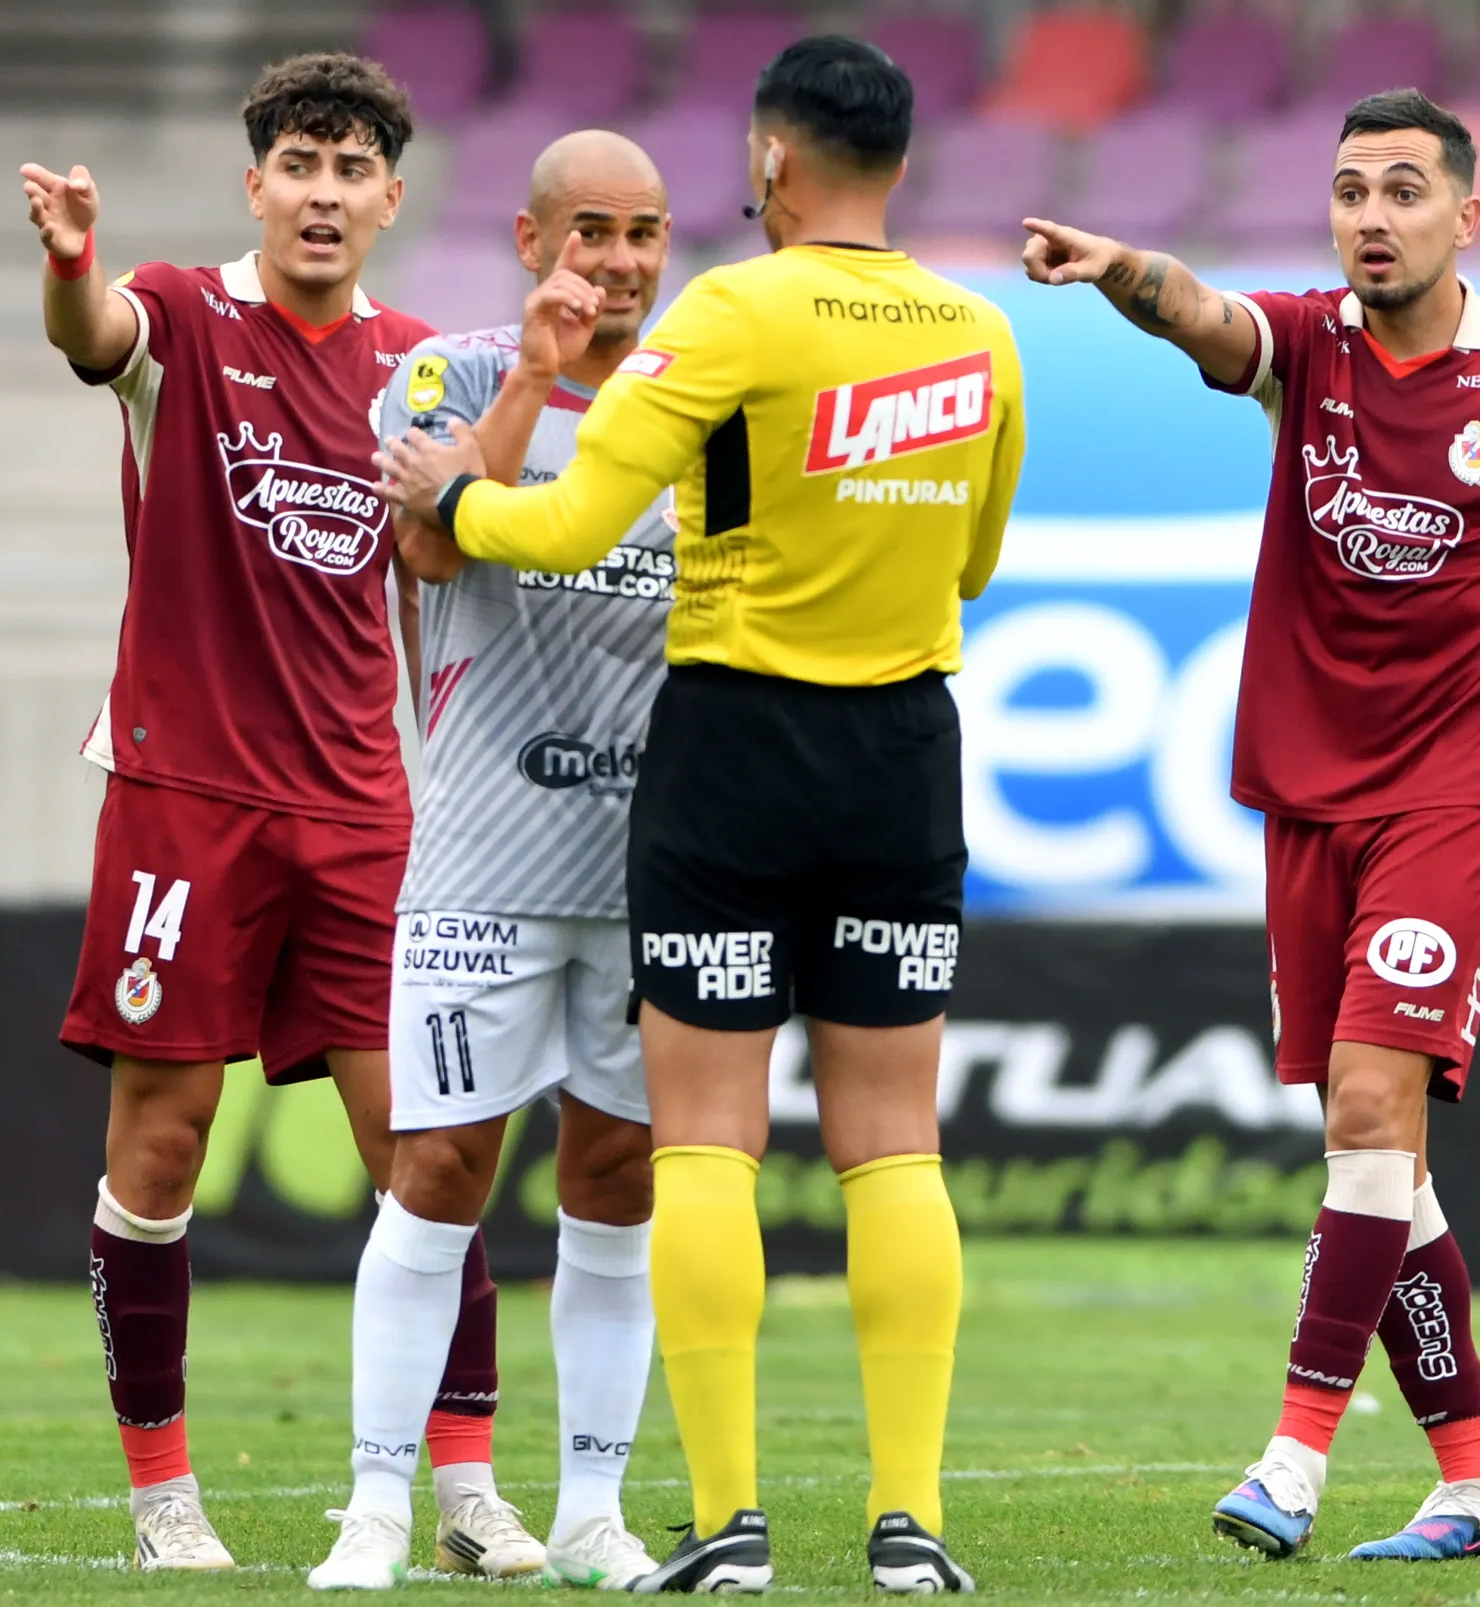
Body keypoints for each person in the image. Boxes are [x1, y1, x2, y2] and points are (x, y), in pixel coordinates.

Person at [376, 36, 1026, 1597]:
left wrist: (453, 500)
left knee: (707, 1146)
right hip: (903, 750)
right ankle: (910, 1524)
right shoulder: (981, 331)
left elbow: (569, 521)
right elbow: (973, 563)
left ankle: (727, 1523)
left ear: (770, 163)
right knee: (895, 1147)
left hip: (733, 747)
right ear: (899, 164)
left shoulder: (729, 311)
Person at [1022, 89, 1480, 1564]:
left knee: (1371, 1115)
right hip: (1310, 796)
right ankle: (1479, 1490)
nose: (1371, 218)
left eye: (1401, 190)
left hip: (1457, 787)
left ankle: (1294, 1460)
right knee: (1380, 1158)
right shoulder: (1309, 349)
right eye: (1348, 192)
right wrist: (1117, 270)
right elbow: (1205, 318)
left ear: (1466, 215)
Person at [21, 53, 531, 1572]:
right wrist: (72, 267)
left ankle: (466, 1493)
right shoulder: (181, 312)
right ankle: (162, 1496)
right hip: (184, 798)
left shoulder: (422, 367)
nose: (322, 192)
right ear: (256, 186)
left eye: (349, 169)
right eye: (297, 165)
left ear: (390, 198)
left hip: (364, 809)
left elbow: (462, 553)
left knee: (430, 1153)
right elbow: (92, 337)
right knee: (162, 1146)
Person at [308, 129, 677, 1593]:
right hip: (483, 859)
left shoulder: (699, 397)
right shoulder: (446, 376)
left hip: (651, 867)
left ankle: (591, 1512)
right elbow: (435, 552)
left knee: (620, 1178)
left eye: (643, 232)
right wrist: (534, 373)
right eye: (591, 230)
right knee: (439, 1166)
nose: (619, 261)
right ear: (531, 241)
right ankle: (376, 1507)